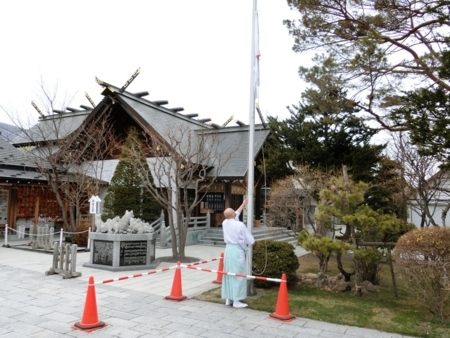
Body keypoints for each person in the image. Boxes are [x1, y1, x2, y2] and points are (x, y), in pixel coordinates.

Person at [221, 198, 255, 308]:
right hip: (237, 250)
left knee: (228, 274)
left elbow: (235, 213)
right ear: (233, 216)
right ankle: (236, 301)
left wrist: (243, 204)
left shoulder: (224, 223)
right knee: (238, 274)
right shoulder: (239, 224)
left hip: (228, 250)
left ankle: (228, 298)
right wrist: (250, 243)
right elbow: (249, 239)